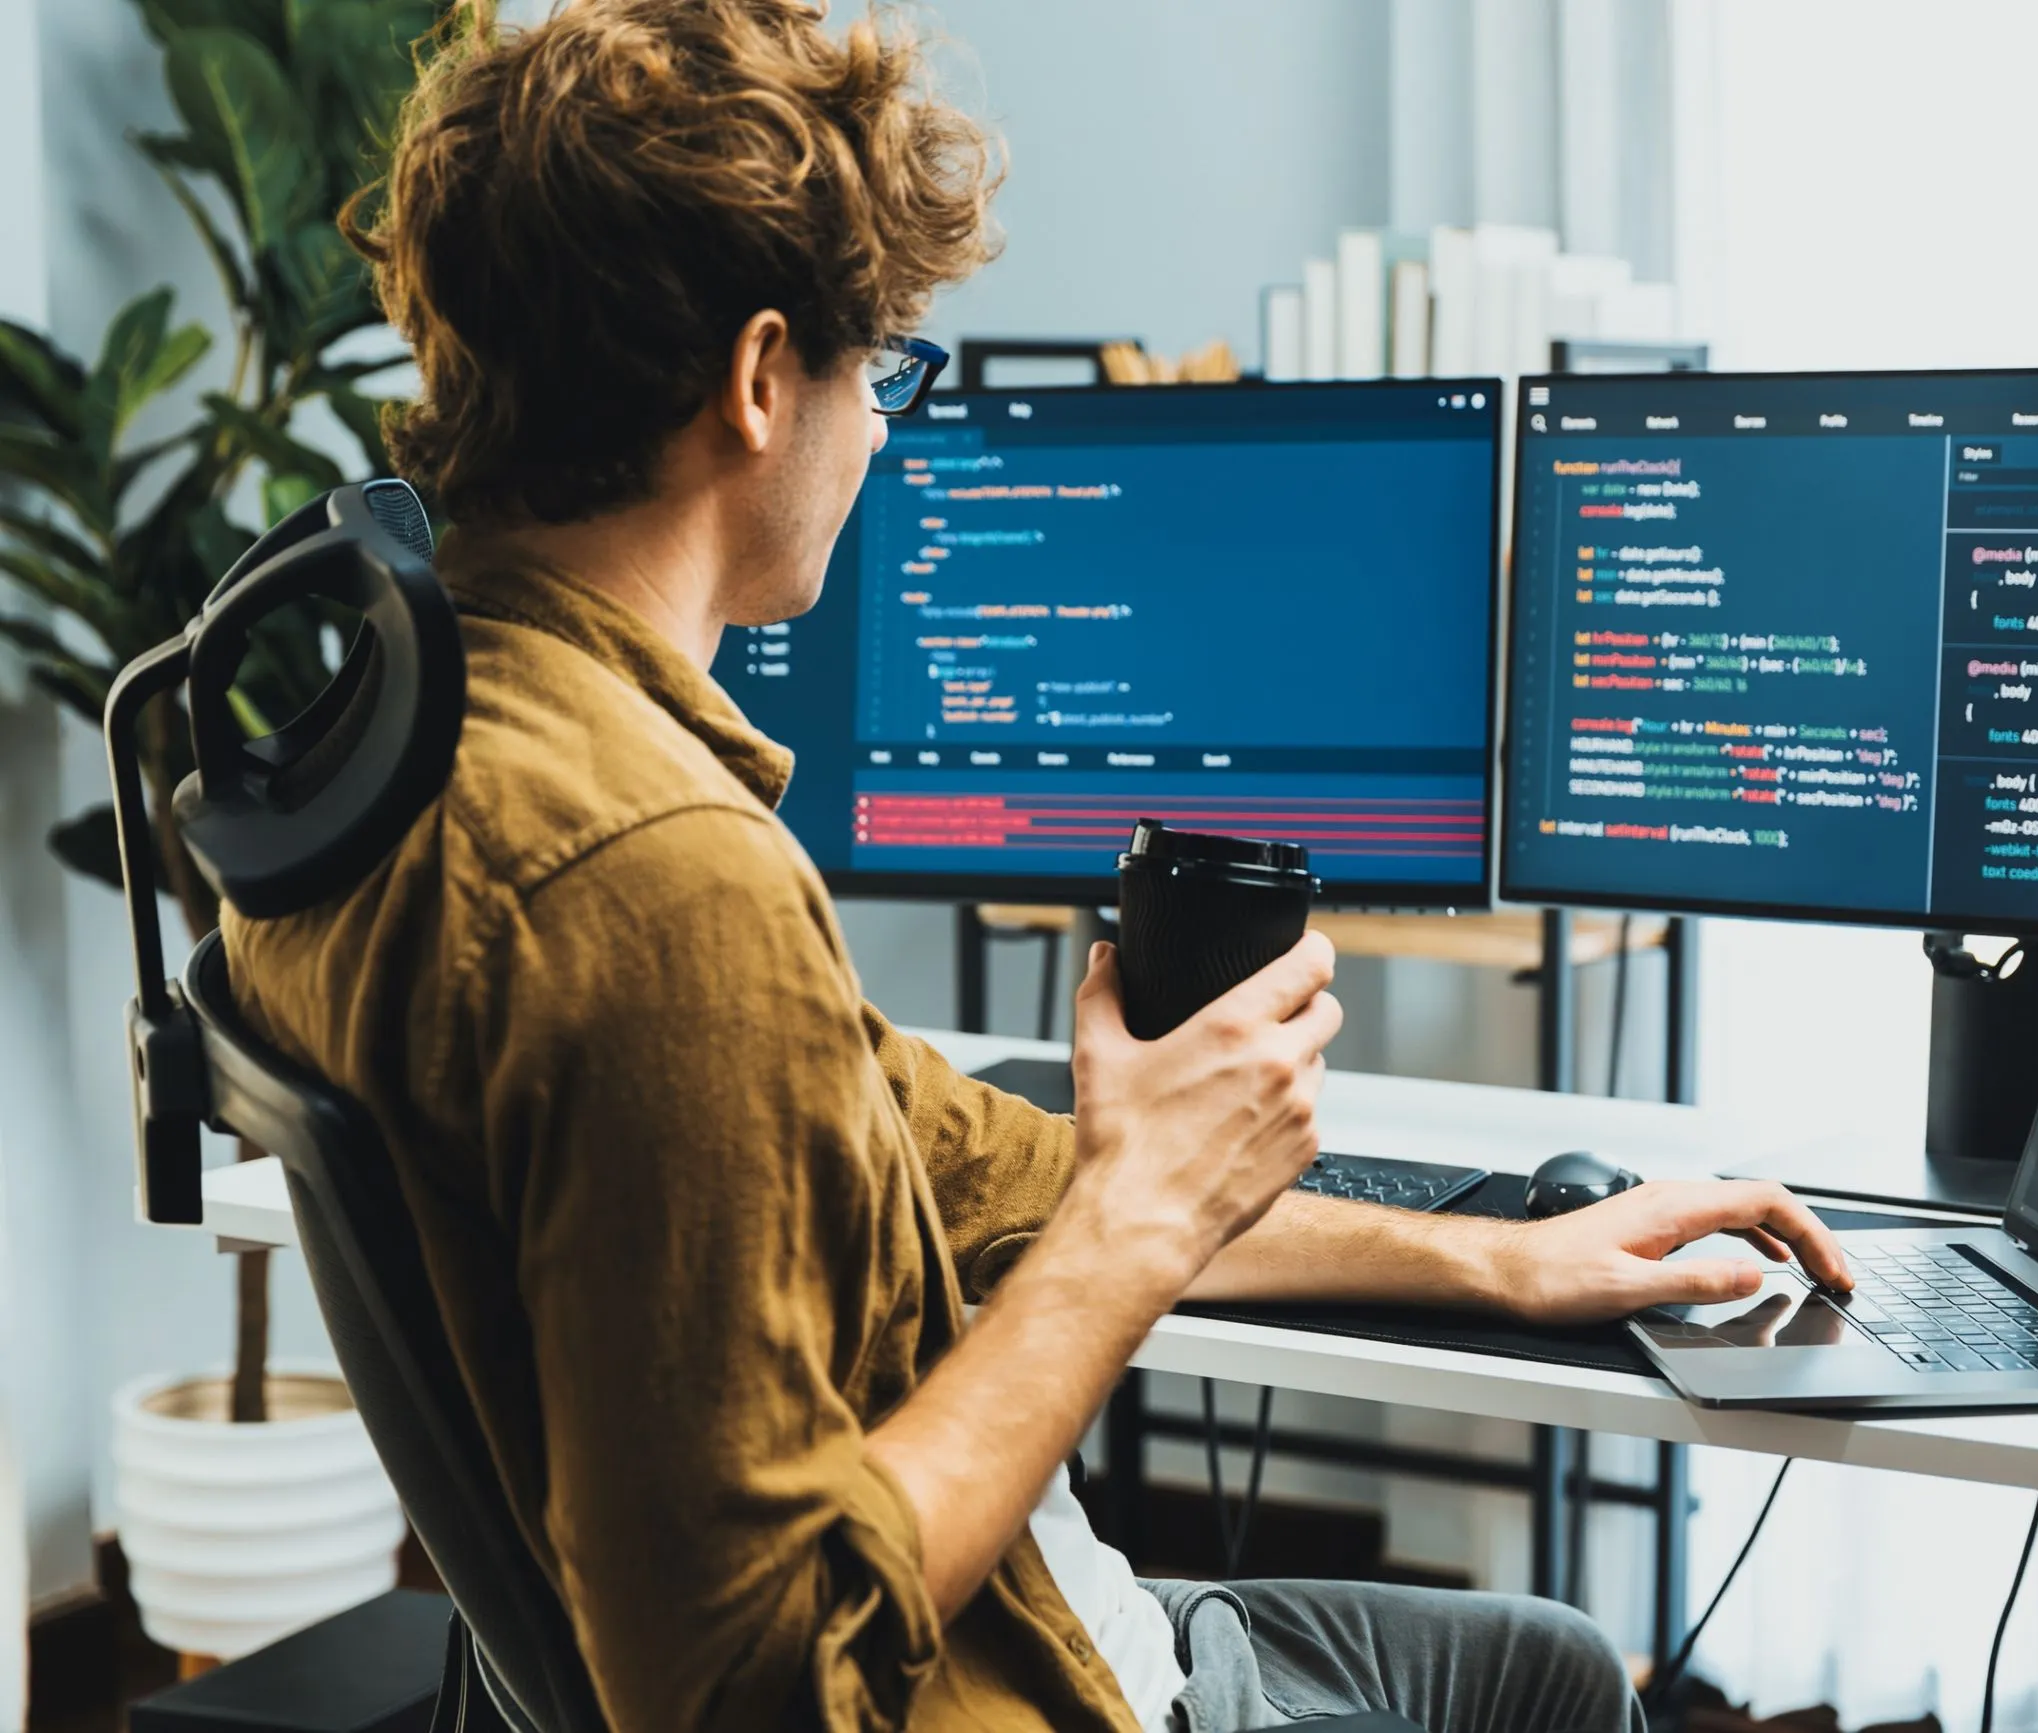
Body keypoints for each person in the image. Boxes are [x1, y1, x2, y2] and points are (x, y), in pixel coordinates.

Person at [225, 3, 1853, 1730]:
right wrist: (1140, 1216)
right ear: (764, 380)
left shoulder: (417, 741)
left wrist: (1504, 1259)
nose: (884, 439)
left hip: (1005, 1607)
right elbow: (736, 1691)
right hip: (1002, 1685)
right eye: (888, 375)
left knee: (1546, 1662)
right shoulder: (658, 885)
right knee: (1553, 1686)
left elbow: (953, 1154)